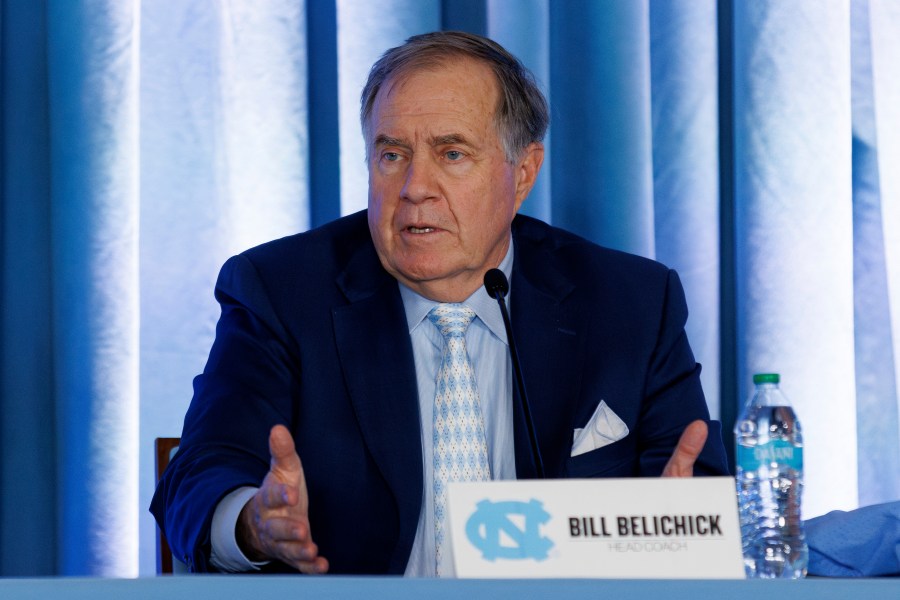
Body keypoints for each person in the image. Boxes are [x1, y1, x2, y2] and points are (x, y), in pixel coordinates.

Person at [151, 30, 729, 576]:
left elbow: (690, 488)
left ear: (523, 172)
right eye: (392, 154)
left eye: (452, 154)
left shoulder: (629, 302)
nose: (414, 188)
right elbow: (198, 476)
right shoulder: (279, 292)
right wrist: (253, 522)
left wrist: (678, 531)